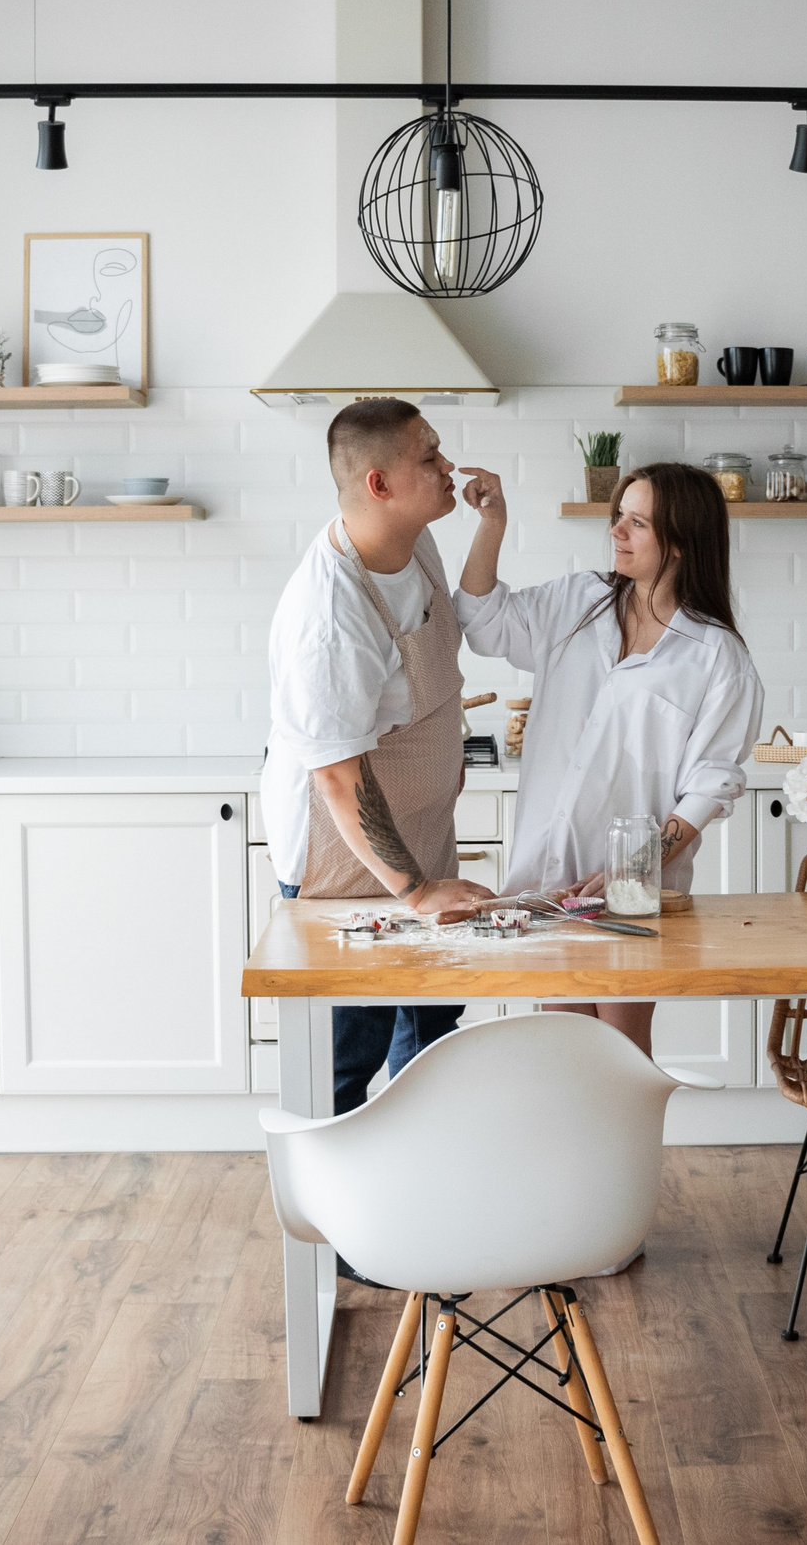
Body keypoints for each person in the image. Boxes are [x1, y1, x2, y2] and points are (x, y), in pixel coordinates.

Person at [451, 460, 764, 1057]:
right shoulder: (578, 600)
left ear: (679, 542)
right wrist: (493, 523)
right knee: (561, 1051)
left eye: (637, 522)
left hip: (632, 895)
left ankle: (628, 1156)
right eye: (618, 516)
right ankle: (569, 1156)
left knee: (620, 1053)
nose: (617, 531)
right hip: (548, 878)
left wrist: (635, 867)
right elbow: (483, 621)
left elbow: (710, 785)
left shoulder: (717, 657)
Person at [265, 398, 493, 1120]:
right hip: (348, 858)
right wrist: (417, 892)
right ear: (379, 484)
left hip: (421, 830)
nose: (448, 464)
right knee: (347, 1055)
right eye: (429, 456)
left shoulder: (413, 543)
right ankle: (332, 1231)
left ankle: (414, 1205)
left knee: (429, 1030)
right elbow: (336, 775)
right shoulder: (328, 615)